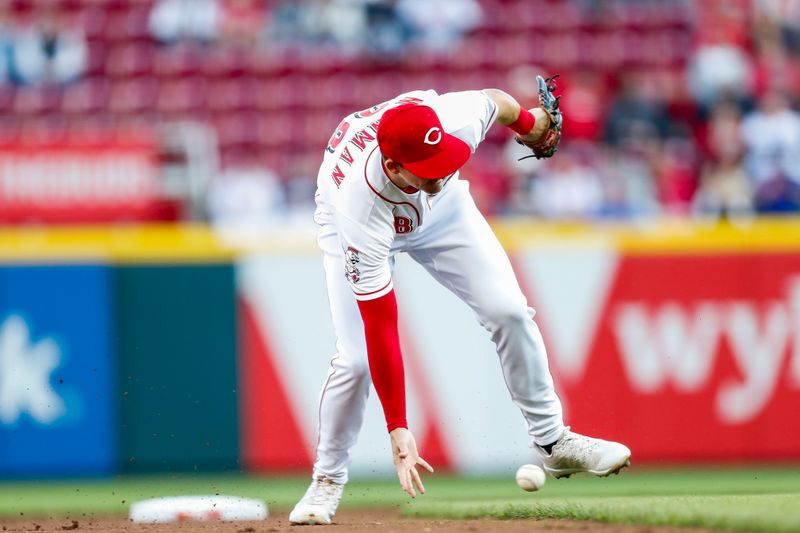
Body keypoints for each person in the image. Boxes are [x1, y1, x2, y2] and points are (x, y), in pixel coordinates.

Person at [289, 83, 632, 525]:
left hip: (443, 211)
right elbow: (381, 324)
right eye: (429, 167)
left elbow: (499, 102)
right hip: (356, 215)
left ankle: (554, 442)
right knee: (354, 360)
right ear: (394, 166)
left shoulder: (453, 120)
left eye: (444, 158)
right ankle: (327, 480)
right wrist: (398, 428)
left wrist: (529, 127)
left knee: (509, 310)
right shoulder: (359, 206)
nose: (443, 168)